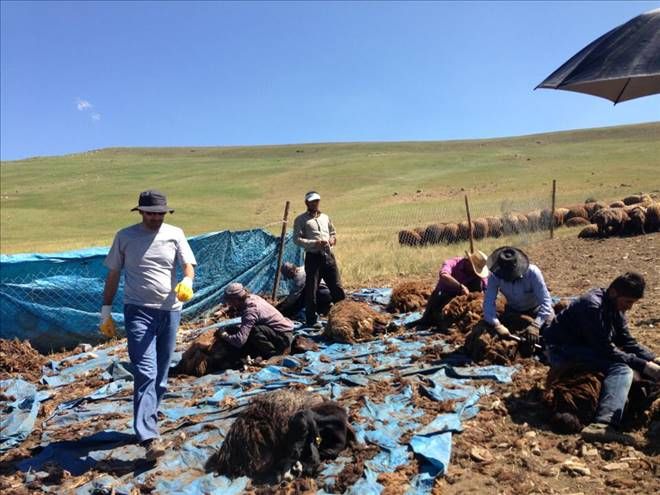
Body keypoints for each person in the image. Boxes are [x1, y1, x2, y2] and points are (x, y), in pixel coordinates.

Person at [101, 190, 197, 461]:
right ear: (140, 212)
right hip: (138, 311)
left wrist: (187, 281)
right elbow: (113, 274)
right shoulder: (125, 237)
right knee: (146, 371)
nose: (156, 217)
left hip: (169, 311)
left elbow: (188, 265)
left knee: (162, 375)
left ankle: (148, 420)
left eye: (160, 213)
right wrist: (105, 311)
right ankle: (149, 436)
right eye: (151, 212)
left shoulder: (175, 234)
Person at [544, 272, 660, 443]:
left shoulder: (615, 307)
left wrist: (653, 358)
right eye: (628, 302)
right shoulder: (592, 306)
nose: (630, 307)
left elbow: (627, 341)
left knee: (631, 361)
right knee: (621, 370)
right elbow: (606, 349)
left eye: (633, 303)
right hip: (563, 349)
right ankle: (602, 425)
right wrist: (645, 366)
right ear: (614, 293)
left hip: (587, 346)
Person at [482, 246, 554, 350]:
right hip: (513, 311)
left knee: (552, 332)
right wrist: (497, 324)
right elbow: (488, 302)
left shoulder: (532, 273)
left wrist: (536, 325)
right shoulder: (495, 276)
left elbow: (546, 302)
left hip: (536, 309)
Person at [293, 191, 346, 327]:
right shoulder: (301, 220)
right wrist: (314, 243)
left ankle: (344, 315)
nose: (315, 203)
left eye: (317, 201)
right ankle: (311, 320)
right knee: (312, 290)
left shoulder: (325, 217)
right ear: (307, 203)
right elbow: (296, 239)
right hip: (313, 258)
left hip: (328, 256)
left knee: (337, 287)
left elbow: (333, 232)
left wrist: (332, 239)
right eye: (312, 201)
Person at [219, 282, 294, 361]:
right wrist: (223, 311)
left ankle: (273, 354)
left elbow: (239, 341)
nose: (228, 303)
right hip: (283, 331)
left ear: (235, 300)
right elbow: (237, 306)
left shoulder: (250, 311)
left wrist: (224, 335)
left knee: (254, 330)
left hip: (283, 339)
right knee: (247, 329)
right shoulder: (253, 297)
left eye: (229, 301)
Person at [418, 250, 489, 327]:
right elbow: (444, 275)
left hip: (465, 298)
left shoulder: (477, 275)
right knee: (437, 318)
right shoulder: (452, 263)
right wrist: (460, 286)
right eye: (474, 269)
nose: (475, 272)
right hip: (444, 295)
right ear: (468, 262)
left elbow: (486, 289)